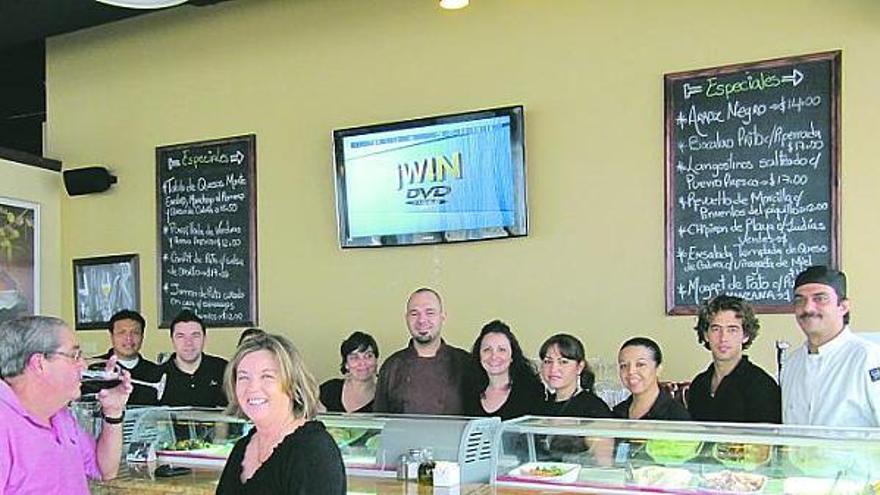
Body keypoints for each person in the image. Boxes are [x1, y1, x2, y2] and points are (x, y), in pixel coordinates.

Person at [0, 316, 133, 494]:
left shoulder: (60, 415)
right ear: (39, 364)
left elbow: (105, 471)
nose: (83, 365)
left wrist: (113, 412)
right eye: (74, 356)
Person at [216, 332, 345, 494]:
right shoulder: (242, 448)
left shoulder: (313, 450)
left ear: (292, 384)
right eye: (243, 377)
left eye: (267, 376)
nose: (252, 387)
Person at [781, 266, 880, 427]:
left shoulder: (869, 358)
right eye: (800, 300)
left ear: (843, 306)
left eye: (820, 298)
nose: (807, 308)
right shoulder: (792, 364)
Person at [374, 287, 475, 414]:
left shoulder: (464, 363)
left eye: (430, 312)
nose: (422, 320)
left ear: (442, 317)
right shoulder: (392, 366)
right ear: (406, 318)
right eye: (414, 313)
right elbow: (380, 420)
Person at [688, 295, 781, 423]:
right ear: (705, 335)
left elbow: (765, 440)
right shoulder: (698, 385)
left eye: (732, 330)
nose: (723, 338)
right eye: (716, 329)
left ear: (746, 335)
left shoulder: (762, 386)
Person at [464, 320, 544, 420]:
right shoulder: (468, 391)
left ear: (512, 356)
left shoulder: (532, 391)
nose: (494, 356)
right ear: (479, 355)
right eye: (487, 350)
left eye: (501, 350)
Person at [84, 309, 163, 405]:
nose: (128, 338)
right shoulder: (95, 370)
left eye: (135, 332)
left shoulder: (156, 372)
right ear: (112, 336)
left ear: (142, 336)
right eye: (122, 332)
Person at [159, 309, 228, 407]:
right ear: (172, 340)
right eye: (181, 336)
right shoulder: (157, 376)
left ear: (204, 338)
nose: (188, 342)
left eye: (195, 336)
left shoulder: (224, 370)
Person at [613, 337, 689, 420]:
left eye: (640, 364)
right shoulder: (618, 412)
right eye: (624, 366)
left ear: (658, 369)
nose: (631, 371)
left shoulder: (676, 416)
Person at [539, 333, 611, 418]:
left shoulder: (594, 408)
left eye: (563, 362)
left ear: (579, 367)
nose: (553, 369)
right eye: (548, 361)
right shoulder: (541, 405)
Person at [319, 331, 379, 413]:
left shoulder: (383, 398)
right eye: (354, 357)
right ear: (346, 364)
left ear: (376, 361)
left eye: (368, 356)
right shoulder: (329, 390)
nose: (362, 363)